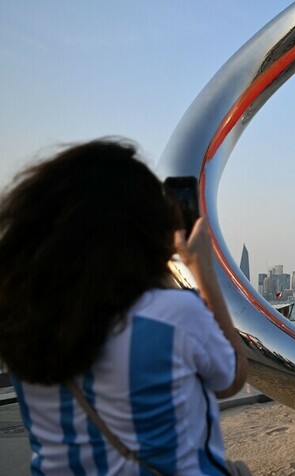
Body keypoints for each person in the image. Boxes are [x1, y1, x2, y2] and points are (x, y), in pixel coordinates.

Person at [0, 140, 248, 474]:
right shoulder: (173, 314)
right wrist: (203, 271)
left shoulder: (21, 322)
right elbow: (230, 377)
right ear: (140, 230)